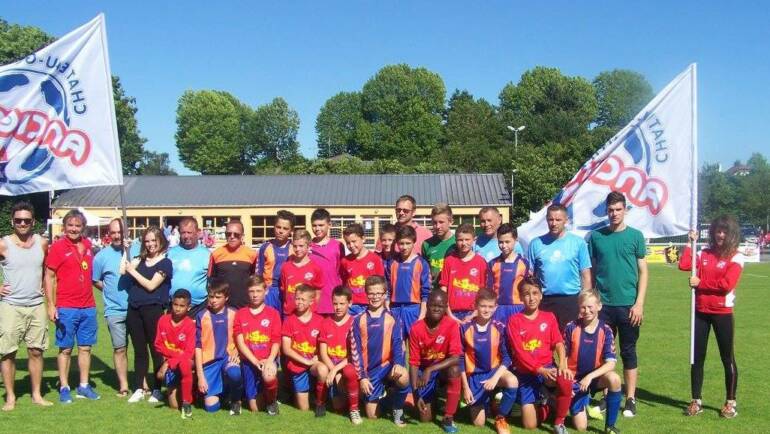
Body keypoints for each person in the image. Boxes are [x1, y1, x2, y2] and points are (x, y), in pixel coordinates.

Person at [587, 192, 648, 418]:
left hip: (629, 307)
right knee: (604, 354)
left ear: (625, 210)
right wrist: (592, 301)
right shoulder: (596, 237)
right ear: (606, 211)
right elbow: (591, 271)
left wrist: (639, 303)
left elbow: (643, 271)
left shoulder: (635, 237)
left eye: (618, 209)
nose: (614, 214)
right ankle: (607, 396)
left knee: (629, 352)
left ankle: (630, 399)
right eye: (611, 210)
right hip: (603, 307)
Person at [679, 216, 743, 419]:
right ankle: (696, 400)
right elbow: (684, 265)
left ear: (731, 234)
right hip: (700, 312)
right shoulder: (703, 253)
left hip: (723, 314)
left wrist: (700, 283)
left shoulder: (736, 256)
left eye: (724, 231)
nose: (720, 235)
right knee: (696, 358)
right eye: (717, 231)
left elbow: (726, 285)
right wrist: (691, 242)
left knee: (727, 358)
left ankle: (730, 402)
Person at [44, 208, 100, 403]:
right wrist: (51, 305)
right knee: (65, 349)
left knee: (85, 348)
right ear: (64, 226)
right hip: (66, 306)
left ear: (83, 227)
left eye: (77, 225)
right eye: (70, 225)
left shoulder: (87, 245)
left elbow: (92, 274)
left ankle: (84, 385)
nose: (74, 229)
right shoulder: (58, 247)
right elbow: (49, 276)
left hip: (88, 306)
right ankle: (64, 386)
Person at [0, 201, 52, 410]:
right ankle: (10, 396)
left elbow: (48, 274)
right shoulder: (3, 243)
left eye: (27, 220)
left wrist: (50, 303)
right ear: (13, 221)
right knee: (7, 353)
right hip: (11, 306)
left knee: (36, 351)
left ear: (33, 222)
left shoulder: (42, 243)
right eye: (19, 220)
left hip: (36, 305)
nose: (22, 223)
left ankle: (37, 394)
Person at [507, 277, 572, 433]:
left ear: (541, 295)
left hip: (548, 368)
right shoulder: (514, 321)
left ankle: (559, 422)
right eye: (527, 294)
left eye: (535, 293)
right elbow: (520, 352)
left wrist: (562, 363)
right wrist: (540, 370)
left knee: (565, 378)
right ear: (521, 297)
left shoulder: (549, 317)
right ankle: (547, 402)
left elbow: (558, 342)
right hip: (526, 373)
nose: (531, 298)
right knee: (530, 425)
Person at [122, 226, 173, 404]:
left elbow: (151, 285)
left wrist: (133, 272)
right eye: (147, 241)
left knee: (156, 350)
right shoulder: (140, 259)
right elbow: (123, 270)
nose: (151, 244)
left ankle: (157, 389)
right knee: (139, 350)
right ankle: (138, 388)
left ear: (161, 241)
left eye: (154, 240)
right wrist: (126, 250)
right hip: (134, 309)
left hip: (153, 309)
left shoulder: (165, 263)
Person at [349, 276, 410, 426]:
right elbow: (355, 351)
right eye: (371, 293)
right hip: (370, 372)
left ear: (384, 295)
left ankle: (398, 409)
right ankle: (384, 395)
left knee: (403, 376)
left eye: (378, 293)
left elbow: (398, 343)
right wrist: (362, 377)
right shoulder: (358, 320)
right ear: (366, 293)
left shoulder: (393, 317)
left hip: (387, 367)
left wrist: (398, 363)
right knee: (372, 416)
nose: (375, 297)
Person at [562, 289, 622, 433]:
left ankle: (610, 426)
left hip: (594, 379)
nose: (587, 310)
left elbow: (611, 363)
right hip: (575, 379)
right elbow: (563, 355)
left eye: (590, 307)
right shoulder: (571, 327)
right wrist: (566, 380)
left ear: (599, 306)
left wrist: (590, 377)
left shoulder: (606, 330)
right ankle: (564, 400)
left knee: (614, 379)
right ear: (579, 307)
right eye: (583, 307)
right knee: (581, 427)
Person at [460, 289, 518, 434]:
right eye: (483, 306)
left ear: (495, 307)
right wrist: (465, 388)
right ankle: (490, 401)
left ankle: (500, 417)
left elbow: (507, 358)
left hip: (494, 372)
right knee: (479, 424)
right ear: (475, 306)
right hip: (474, 377)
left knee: (512, 381)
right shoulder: (464, 328)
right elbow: (459, 359)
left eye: (490, 306)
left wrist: (494, 378)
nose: (486, 310)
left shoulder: (499, 327)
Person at [527, 204, 591, 331]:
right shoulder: (535, 244)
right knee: (544, 345)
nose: (554, 223)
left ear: (566, 220)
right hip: (545, 301)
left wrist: (584, 304)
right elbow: (530, 277)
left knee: (570, 344)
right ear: (546, 219)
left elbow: (586, 276)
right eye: (551, 219)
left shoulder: (578, 243)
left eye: (558, 220)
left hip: (571, 301)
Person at [409, 290, 463, 433]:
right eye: (433, 305)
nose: (437, 309)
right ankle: (430, 398)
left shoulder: (452, 325)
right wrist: (416, 394)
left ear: (446, 307)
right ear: (427, 306)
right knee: (425, 418)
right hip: (423, 372)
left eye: (441, 306)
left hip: (441, 370)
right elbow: (413, 362)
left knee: (455, 370)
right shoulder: (416, 328)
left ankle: (448, 417)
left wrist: (430, 370)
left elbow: (456, 357)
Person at [92, 218, 131, 397]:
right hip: (115, 310)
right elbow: (96, 280)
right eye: (113, 232)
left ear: (127, 232)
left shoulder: (135, 249)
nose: (117, 236)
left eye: (120, 232)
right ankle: (123, 385)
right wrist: (108, 290)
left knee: (140, 349)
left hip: (136, 308)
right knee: (119, 348)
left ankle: (143, 383)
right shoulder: (101, 256)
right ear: (109, 234)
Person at [234, 276, 281, 415]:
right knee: (255, 408)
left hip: (268, 359)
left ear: (265, 291)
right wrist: (255, 361)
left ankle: (272, 401)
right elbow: (240, 342)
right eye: (251, 291)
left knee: (269, 375)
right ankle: (260, 395)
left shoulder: (273, 314)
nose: (255, 295)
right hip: (249, 361)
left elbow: (276, 341)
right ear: (247, 292)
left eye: (258, 291)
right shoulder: (240, 314)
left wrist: (269, 360)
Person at [195, 279, 243, 415]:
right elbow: (197, 347)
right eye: (211, 296)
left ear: (226, 298)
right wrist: (200, 376)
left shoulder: (234, 313)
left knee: (234, 373)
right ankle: (222, 392)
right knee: (211, 408)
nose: (214, 300)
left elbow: (242, 338)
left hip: (228, 359)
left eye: (218, 297)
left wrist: (237, 352)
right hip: (210, 363)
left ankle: (236, 399)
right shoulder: (201, 315)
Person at [281, 284, 328, 415]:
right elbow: (286, 349)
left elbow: (324, 344)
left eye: (303, 299)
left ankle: (320, 403)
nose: (299, 302)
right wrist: (306, 361)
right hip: (298, 365)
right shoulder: (289, 321)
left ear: (311, 301)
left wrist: (318, 357)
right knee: (304, 409)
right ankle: (296, 393)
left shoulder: (320, 320)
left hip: (314, 364)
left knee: (323, 369)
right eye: (297, 299)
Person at [318, 286, 361, 424]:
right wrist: (332, 370)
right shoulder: (325, 323)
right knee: (337, 407)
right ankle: (323, 400)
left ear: (350, 303)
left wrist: (336, 371)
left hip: (346, 367)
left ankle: (355, 406)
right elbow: (323, 353)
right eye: (335, 303)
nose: (338, 307)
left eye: (342, 303)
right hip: (331, 367)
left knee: (349, 372)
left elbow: (352, 354)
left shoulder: (354, 323)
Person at [154, 289, 196, 419]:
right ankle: (179, 391)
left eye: (182, 306)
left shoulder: (190, 325)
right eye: (175, 305)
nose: (177, 309)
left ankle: (187, 402)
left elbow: (188, 353)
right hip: (171, 361)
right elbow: (158, 345)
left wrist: (168, 362)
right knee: (173, 406)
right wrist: (170, 360)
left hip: (184, 362)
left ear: (188, 307)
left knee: (184, 364)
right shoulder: (163, 320)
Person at [386, 225, 431, 339]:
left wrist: (422, 313)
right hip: (395, 309)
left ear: (414, 242)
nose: (404, 247)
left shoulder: (421, 263)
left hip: (413, 309)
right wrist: (387, 306)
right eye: (401, 243)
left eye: (408, 243)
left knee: (415, 344)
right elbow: (387, 287)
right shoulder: (392, 263)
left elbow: (425, 291)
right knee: (397, 345)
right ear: (397, 243)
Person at [439, 224, 488, 323]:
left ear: (474, 240)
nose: (464, 243)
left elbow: (483, 291)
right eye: (460, 240)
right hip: (452, 313)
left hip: (474, 313)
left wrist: (474, 313)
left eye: (467, 240)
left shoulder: (481, 262)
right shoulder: (449, 261)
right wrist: (449, 314)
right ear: (456, 241)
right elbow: (443, 289)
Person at [167, 217, 211, 318]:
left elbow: (211, 281)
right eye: (183, 233)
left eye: (189, 232)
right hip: (175, 306)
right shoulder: (170, 253)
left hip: (198, 307)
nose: (186, 236)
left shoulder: (206, 255)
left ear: (198, 232)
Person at [487, 223, 530, 325]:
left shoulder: (524, 263)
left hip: (518, 307)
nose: (504, 245)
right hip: (498, 308)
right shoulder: (493, 264)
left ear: (515, 240)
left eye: (507, 242)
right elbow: (489, 289)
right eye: (501, 242)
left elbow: (527, 288)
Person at [209, 219, 257, 309]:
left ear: (242, 236)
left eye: (236, 234)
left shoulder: (252, 254)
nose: (232, 237)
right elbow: (211, 282)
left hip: (245, 306)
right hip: (222, 308)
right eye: (228, 234)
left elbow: (254, 280)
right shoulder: (216, 254)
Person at [340, 223, 385, 316]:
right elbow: (344, 283)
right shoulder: (345, 261)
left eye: (354, 241)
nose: (351, 245)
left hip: (370, 305)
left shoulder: (375, 259)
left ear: (363, 239)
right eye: (348, 243)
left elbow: (381, 284)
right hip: (351, 307)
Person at [309, 208, 345, 316]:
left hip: (333, 298)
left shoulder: (338, 245)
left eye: (321, 225)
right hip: (314, 299)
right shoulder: (307, 246)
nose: (317, 228)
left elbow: (342, 271)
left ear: (329, 224)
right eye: (314, 225)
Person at [258, 210, 295, 312]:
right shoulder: (265, 247)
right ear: (274, 227)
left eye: (285, 228)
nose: (281, 231)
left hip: (289, 290)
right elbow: (259, 273)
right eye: (278, 227)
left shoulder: (295, 248)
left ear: (291, 230)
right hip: (269, 291)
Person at [280, 229, 324, 316]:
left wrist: (312, 309)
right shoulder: (285, 267)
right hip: (289, 313)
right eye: (295, 246)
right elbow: (284, 290)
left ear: (308, 246)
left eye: (301, 246)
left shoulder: (315, 268)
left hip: (308, 314)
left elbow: (318, 292)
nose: (297, 249)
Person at [422, 203, 456, 287]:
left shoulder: (458, 243)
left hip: (453, 291)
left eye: (441, 222)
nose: (437, 226)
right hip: (433, 293)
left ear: (451, 222)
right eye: (434, 222)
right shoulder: (426, 244)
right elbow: (424, 271)